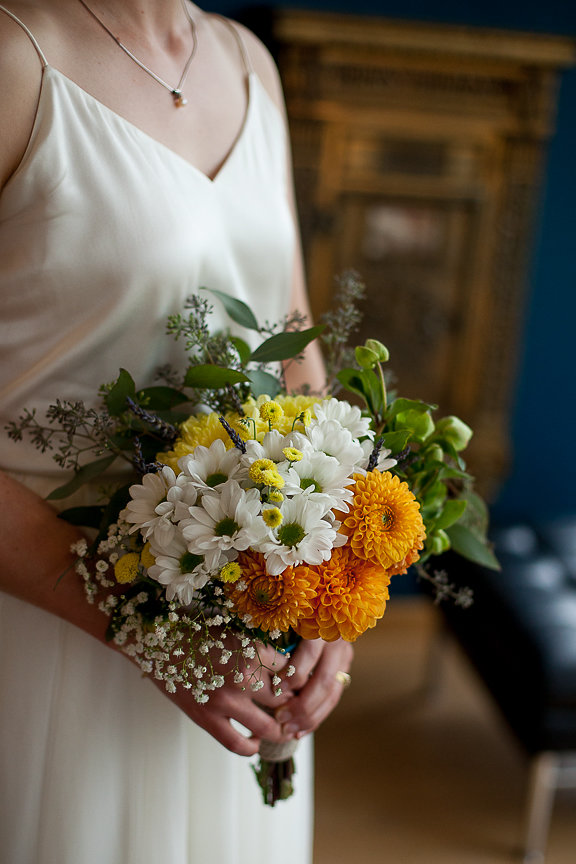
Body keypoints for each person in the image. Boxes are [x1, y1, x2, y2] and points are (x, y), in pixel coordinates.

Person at [0, 2, 353, 862]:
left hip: (239, 642)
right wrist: (142, 626)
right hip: (45, 638)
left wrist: (336, 577)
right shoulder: (14, 61)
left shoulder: (248, 62)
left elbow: (292, 333)